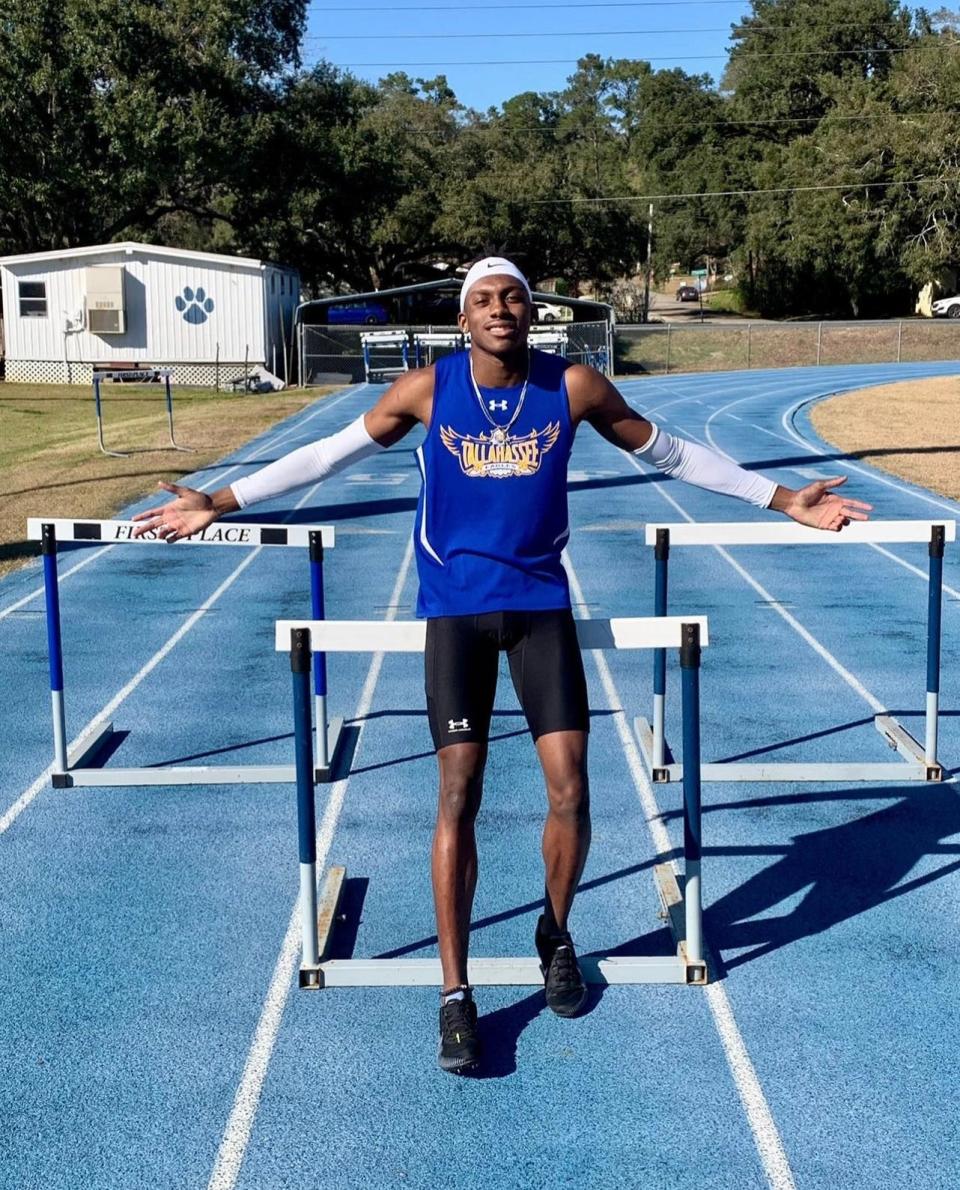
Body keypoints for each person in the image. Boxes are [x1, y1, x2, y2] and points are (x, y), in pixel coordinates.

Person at [133, 257, 871, 1074]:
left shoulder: (575, 386)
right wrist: (220, 499)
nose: (499, 309)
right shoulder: (426, 389)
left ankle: (554, 932)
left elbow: (672, 455)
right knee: (459, 791)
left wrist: (780, 499)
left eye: (512, 297)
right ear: (463, 319)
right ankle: (456, 994)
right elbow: (327, 456)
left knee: (571, 785)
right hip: (454, 613)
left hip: (540, 610)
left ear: (531, 312)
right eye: (482, 299)